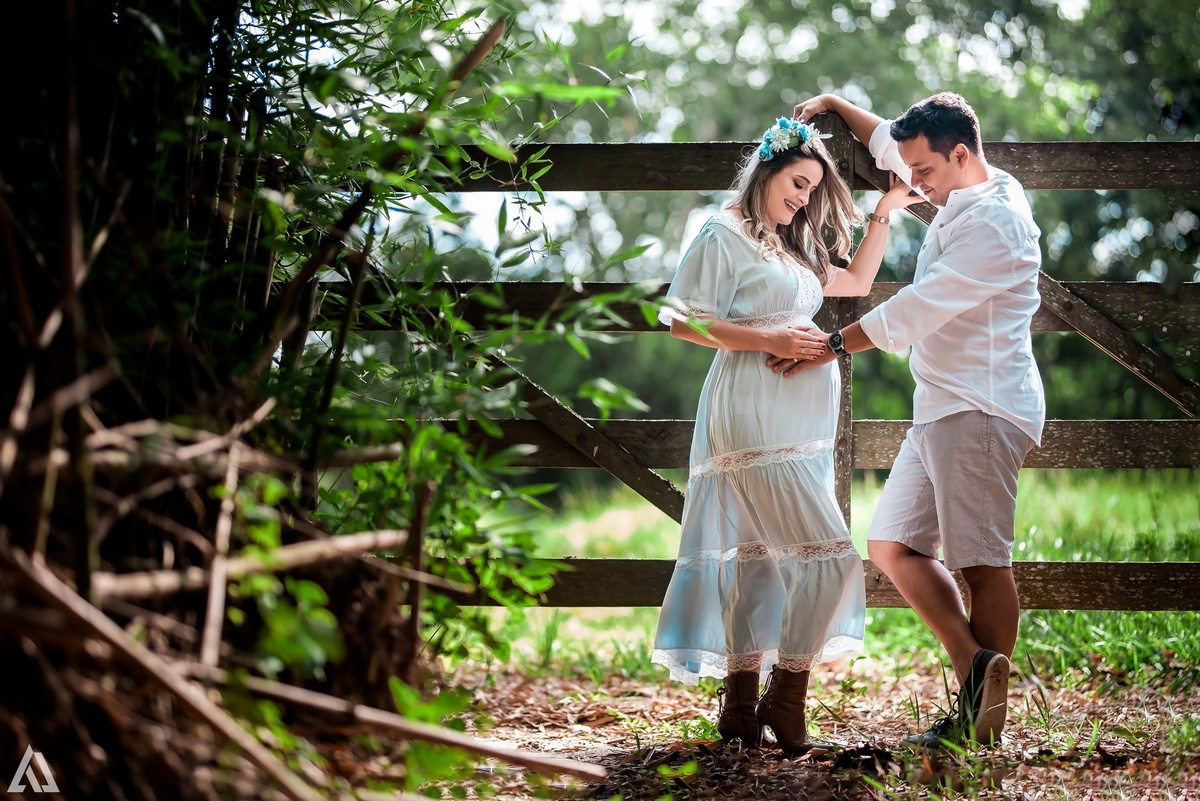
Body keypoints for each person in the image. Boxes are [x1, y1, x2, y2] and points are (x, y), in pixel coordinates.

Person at [776, 92, 1045, 748]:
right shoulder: (959, 179)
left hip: (982, 404)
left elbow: (922, 306)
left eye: (924, 173)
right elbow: (892, 147)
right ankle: (978, 670)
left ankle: (982, 732)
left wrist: (835, 343)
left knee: (981, 563)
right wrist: (841, 103)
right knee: (891, 543)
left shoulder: (998, 223)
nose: (912, 183)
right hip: (943, 405)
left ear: (960, 154)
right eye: (913, 172)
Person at [652, 116, 920, 753]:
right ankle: (786, 694)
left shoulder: (791, 245)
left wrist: (884, 212)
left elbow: (854, 283)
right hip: (750, 408)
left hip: (801, 424)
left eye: (810, 189)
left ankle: (742, 708)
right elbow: (683, 322)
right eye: (797, 183)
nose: (802, 197)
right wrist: (771, 338)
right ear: (766, 170)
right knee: (830, 559)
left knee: (762, 560)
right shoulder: (723, 231)